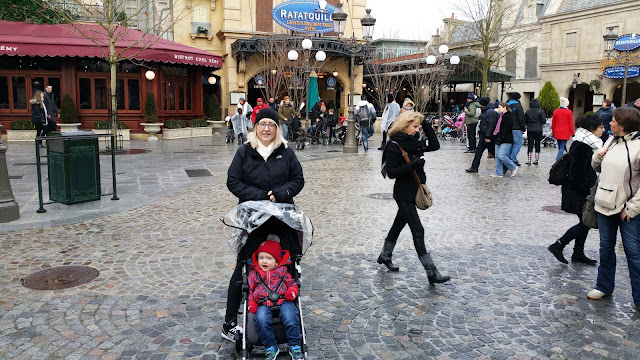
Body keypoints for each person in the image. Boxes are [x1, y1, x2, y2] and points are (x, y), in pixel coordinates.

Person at [222, 107, 305, 342]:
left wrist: (281, 193)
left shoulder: (286, 153)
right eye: (262, 124)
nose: (266, 128)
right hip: (252, 217)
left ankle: (287, 312)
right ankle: (229, 322)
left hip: (281, 216)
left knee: (286, 260)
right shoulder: (244, 152)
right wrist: (258, 195)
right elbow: (233, 181)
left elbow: (298, 180)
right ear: (255, 127)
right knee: (244, 265)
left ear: (277, 128)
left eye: (271, 124)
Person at [379, 111, 450, 285]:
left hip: (414, 190)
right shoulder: (394, 145)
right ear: (404, 126)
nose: (417, 130)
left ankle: (384, 255)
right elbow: (392, 173)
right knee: (418, 231)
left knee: (397, 225)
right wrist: (414, 165)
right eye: (415, 127)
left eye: (418, 127)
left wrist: (425, 123)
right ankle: (431, 272)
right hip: (403, 193)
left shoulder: (415, 142)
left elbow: (434, 145)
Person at [586, 107, 640, 310]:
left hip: (628, 208)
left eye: (614, 121)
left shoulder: (638, 147)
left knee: (634, 253)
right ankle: (604, 285)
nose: (609, 123)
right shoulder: (610, 140)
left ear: (624, 125)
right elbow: (597, 167)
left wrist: (633, 208)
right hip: (604, 204)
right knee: (606, 248)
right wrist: (598, 156)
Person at [547, 114, 604, 265]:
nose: (603, 130)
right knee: (586, 222)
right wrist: (589, 188)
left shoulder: (587, 142)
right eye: (601, 127)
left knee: (584, 221)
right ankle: (558, 245)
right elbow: (577, 171)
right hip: (578, 190)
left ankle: (578, 253)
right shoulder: (583, 145)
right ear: (591, 129)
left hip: (580, 189)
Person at [248, 239, 303, 360]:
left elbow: (292, 284)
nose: (264, 261)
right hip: (263, 303)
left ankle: (294, 345)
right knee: (261, 319)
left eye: (269, 258)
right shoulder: (254, 274)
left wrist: (292, 292)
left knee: (291, 317)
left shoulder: (282, 271)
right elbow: (250, 291)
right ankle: (270, 346)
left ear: (277, 261)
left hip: (284, 300)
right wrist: (251, 303)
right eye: (261, 257)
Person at [466, 97, 496, 173]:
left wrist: (488, 136)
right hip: (483, 135)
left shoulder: (490, 112)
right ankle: (474, 167)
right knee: (478, 152)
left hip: (487, 136)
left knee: (494, 153)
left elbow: (491, 125)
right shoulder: (486, 111)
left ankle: (505, 166)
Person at [492, 102, 518, 178]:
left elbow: (506, 129)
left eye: (500, 107)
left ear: (504, 108)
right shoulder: (501, 116)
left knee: (501, 155)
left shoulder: (508, 116)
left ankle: (513, 167)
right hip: (498, 137)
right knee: (497, 156)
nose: (498, 109)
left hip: (506, 139)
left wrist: (500, 138)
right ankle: (499, 172)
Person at [524, 98, 547, 165]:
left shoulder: (528, 111)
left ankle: (529, 160)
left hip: (530, 129)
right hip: (538, 129)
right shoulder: (541, 111)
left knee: (530, 144)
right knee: (537, 144)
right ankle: (536, 160)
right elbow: (543, 121)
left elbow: (525, 121)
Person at [507, 92, 526, 166]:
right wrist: (523, 128)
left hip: (508, 128)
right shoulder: (518, 106)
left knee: (510, 144)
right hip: (516, 128)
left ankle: (508, 157)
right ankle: (513, 159)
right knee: (517, 144)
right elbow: (521, 118)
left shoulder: (507, 105)